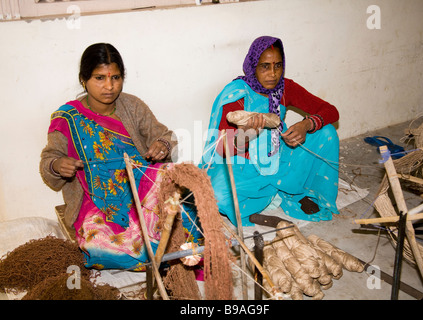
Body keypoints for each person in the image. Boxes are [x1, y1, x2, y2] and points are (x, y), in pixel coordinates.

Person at [40, 43, 200, 270]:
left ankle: (168, 248)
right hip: (98, 198)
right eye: (99, 78)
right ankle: (157, 252)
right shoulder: (67, 118)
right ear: (83, 79)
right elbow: (49, 159)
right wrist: (57, 165)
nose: (109, 86)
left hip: (142, 184)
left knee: (181, 195)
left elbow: (165, 135)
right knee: (98, 243)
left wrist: (162, 145)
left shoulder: (132, 105)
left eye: (115, 77)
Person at [201, 36, 340, 227]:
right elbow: (222, 150)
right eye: (265, 66)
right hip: (246, 165)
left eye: (278, 66)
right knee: (216, 194)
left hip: (279, 156)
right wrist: (246, 135)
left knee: (327, 133)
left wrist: (305, 125)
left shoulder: (285, 88)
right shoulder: (237, 94)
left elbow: (331, 110)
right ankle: (282, 191)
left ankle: (300, 192)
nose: (273, 74)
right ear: (253, 66)